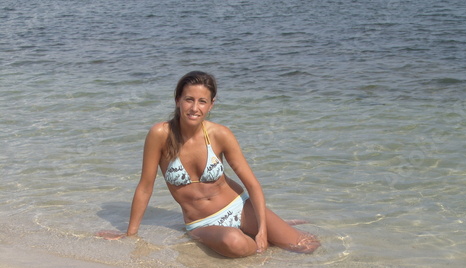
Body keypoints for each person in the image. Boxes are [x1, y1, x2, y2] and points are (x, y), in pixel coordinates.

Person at [101, 71, 320, 258]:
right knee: (236, 243)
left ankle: (266, 232)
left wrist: (262, 229)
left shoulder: (220, 134)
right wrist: (131, 234)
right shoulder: (160, 135)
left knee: (307, 246)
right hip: (203, 223)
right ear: (177, 100)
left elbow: (252, 185)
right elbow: (145, 187)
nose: (194, 108)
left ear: (211, 105)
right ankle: (265, 243)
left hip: (240, 207)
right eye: (189, 99)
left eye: (202, 101)